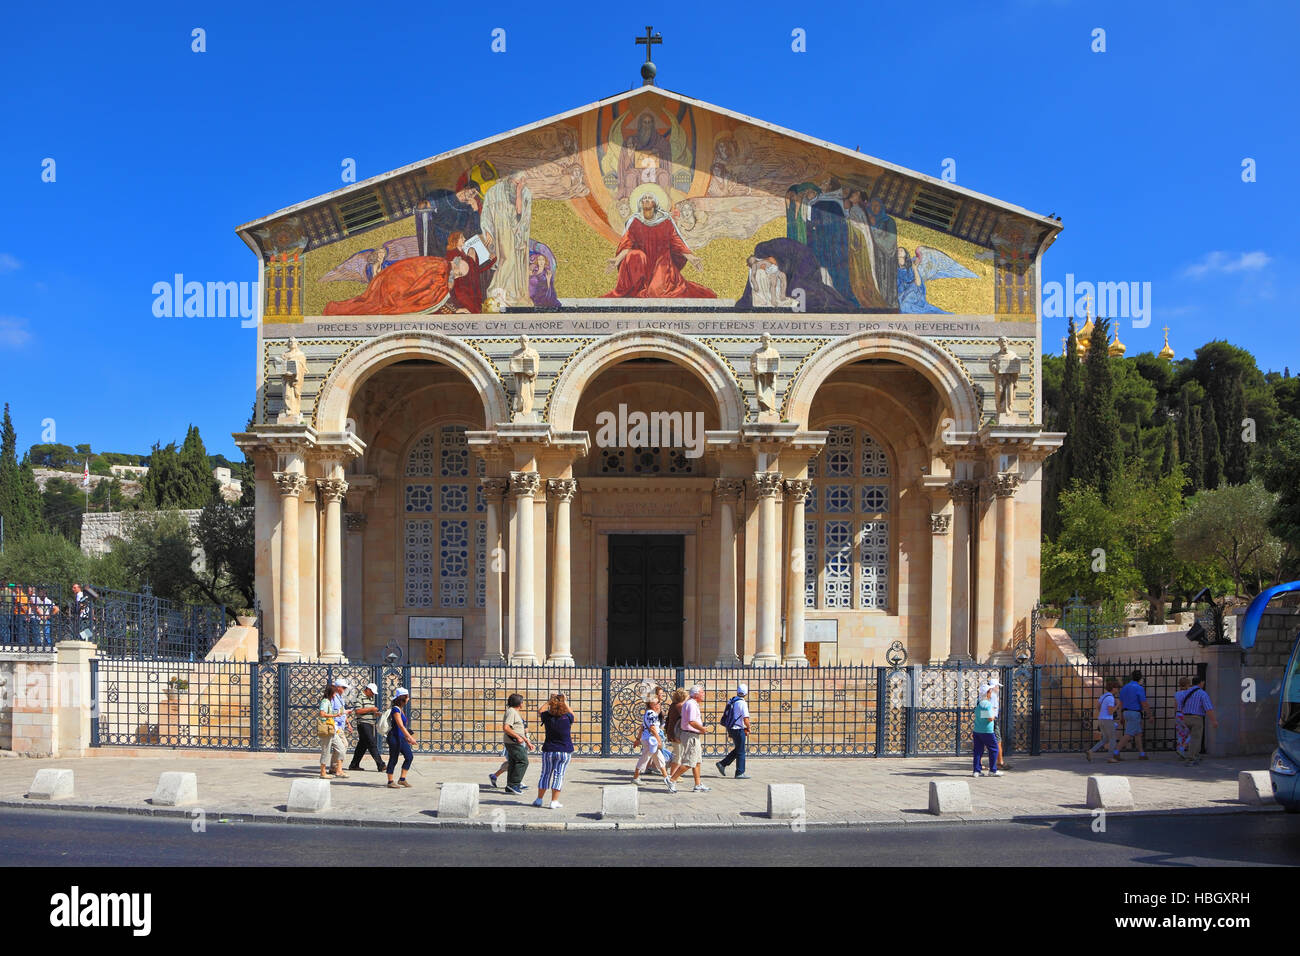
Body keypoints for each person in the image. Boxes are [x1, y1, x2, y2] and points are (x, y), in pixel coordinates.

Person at [668, 685, 712, 792]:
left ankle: (698, 784)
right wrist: (702, 729)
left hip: (692, 735)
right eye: (702, 692)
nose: (703, 694)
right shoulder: (691, 705)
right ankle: (672, 780)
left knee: (697, 761)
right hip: (690, 735)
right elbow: (691, 721)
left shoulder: (691, 704)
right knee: (689, 762)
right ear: (696, 694)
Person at [534, 693, 574, 809]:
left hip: (549, 750)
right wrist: (564, 701)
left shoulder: (547, 716)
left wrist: (549, 701)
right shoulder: (567, 717)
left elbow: (540, 710)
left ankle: (539, 799)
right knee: (559, 775)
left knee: (545, 774)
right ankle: (554, 801)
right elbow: (572, 713)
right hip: (564, 751)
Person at [630, 690, 673, 791]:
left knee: (654, 758)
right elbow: (653, 728)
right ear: (652, 704)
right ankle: (666, 778)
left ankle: (665, 777)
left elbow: (642, 727)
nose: (659, 704)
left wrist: (638, 739)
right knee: (650, 758)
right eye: (658, 702)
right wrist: (659, 741)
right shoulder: (651, 714)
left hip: (649, 739)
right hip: (651, 740)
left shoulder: (650, 713)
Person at [492, 693, 533, 794]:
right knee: (523, 761)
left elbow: (517, 729)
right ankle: (514, 784)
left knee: (514, 763)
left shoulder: (514, 712)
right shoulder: (511, 712)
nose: (523, 704)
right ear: (520, 703)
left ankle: (510, 786)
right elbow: (506, 728)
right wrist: (518, 737)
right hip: (513, 742)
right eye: (522, 702)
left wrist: (527, 741)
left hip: (515, 741)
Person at [715, 683, 752, 779]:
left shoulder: (732, 701)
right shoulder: (742, 703)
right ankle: (740, 772)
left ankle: (722, 764)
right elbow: (746, 719)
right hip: (738, 729)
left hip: (731, 728)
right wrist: (749, 727)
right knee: (741, 751)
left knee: (739, 749)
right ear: (746, 693)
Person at [347, 682, 385, 773]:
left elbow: (367, 710)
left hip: (370, 723)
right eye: (372, 692)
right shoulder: (359, 697)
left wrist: (375, 713)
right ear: (367, 690)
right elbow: (358, 711)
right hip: (363, 723)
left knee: (362, 746)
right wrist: (371, 709)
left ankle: (354, 764)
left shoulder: (370, 698)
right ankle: (381, 765)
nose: (373, 694)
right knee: (372, 743)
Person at [1180, 675, 1218, 765]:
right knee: (1195, 739)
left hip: (1185, 717)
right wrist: (1214, 720)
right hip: (1196, 718)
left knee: (1189, 738)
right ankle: (1191, 759)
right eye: (1203, 682)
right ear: (1200, 682)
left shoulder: (1186, 692)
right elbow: (1208, 708)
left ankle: (1194, 755)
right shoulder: (1202, 693)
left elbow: (1181, 705)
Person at [1112, 670, 1149, 762]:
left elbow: (1121, 703)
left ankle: (1142, 754)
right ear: (1140, 678)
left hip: (1126, 712)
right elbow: (1143, 703)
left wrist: (1121, 716)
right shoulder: (1139, 688)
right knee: (1129, 734)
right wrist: (1150, 715)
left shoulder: (1124, 688)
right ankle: (1116, 752)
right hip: (1135, 713)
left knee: (1138, 733)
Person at [318, 678, 350, 779]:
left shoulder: (333, 700)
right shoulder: (325, 701)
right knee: (326, 751)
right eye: (334, 693)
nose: (336, 694)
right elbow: (322, 714)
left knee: (341, 748)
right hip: (328, 728)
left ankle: (337, 769)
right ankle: (323, 772)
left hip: (333, 728)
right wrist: (335, 715)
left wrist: (342, 716)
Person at [385, 687, 416, 788]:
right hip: (394, 737)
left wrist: (406, 737)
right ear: (403, 698)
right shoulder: (395, 709)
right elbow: (400, 725)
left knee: (409, 756)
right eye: (407, 697)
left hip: (401, 738)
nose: (408, 699)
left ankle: (402, 779)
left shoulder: (401, 709)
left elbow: (403, 727)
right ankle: (390, 781)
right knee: (393, 759)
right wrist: (410, 737)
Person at [1086, 678, 1121, 762]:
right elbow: (1110, 711)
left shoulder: (1104, 696)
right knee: (1112, 738)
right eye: (1117, 688)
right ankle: (1110, 757)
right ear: (1113, 688)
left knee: (1105, 739)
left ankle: (1091, 751)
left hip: (1101, 719)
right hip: (1108, 720)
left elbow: (1097, 706)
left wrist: (1102, 712)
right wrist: (1118, 705)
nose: (1117, 690)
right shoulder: (1111, 698)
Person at [972, 683, 1002, 777]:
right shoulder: (987, 704)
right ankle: (993, 770)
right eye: (990, 691)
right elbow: (990, 718)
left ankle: (976, 770)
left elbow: (979, 715)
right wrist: (993, 715)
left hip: (977, 730)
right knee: (994, 749)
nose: (991, 693)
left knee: (978, 751)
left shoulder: (979, 703)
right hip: (987, 731)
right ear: (988, 693)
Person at [1173, 676, 1193, 760]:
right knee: (1192, 733)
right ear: (1188, 684)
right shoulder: (1189, 693)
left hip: (1178, 715)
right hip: (1185, 715)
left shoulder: (1177, 694)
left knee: (1180, 733)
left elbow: (1175, 706)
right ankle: (1182, 748)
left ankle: (1180, 750)